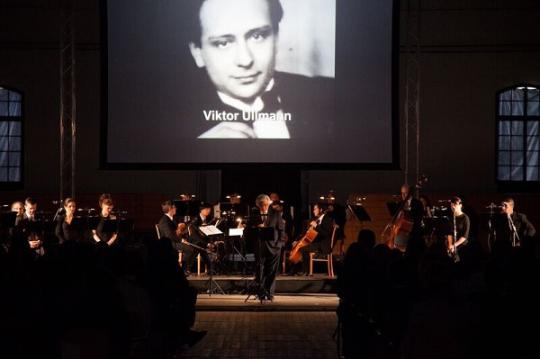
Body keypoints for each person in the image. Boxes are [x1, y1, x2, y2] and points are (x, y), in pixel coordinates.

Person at [184, 0, 334, 139]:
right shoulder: (169, 120)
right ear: (197, 52)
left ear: (276, 38)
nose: (245, 60)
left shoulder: (330, 96)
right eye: (223, 44)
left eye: (258, 36)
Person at [246, 194, 285, 300]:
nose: (263, 207)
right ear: (258, 205)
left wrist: (279, 244)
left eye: (265, 205)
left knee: (272, 270)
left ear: (268, 204)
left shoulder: (276, 213)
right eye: (261, 205)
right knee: (260, 269)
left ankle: (270, 293)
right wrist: (256, 227)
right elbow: (248, 231)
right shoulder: (254, 215)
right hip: (260, 247)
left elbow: (281, 230)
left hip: (275, 246)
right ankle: (261, 292)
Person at [295, 202, 334, 275]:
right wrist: (297, 240)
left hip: (323, 245)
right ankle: (304, 271)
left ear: (321, 209)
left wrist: (316, 226)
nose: (313, 211)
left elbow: (326, 234)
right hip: (316, 243)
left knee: (303, 249)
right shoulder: (316, 219)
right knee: (301, 247)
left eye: (315, 209)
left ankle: (306, 271)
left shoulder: (327, 219)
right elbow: (306, 232)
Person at [157, 200, 195, 274]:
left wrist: (180, 229)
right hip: (169, 243)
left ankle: (185, 268)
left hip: (173, 241)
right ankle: (182, 269)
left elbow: (174, 233)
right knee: (190, 249)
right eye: (174, 207)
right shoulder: (165, 220)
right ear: (170, 209)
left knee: (192, 245)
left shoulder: (170, 219)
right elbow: (169, 236)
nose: (176, 209)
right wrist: (181, 240)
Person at [186, 202, 214, 272]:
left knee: (200, 246)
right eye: (206, 209)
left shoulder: (210, 219)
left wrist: (212, 241)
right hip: (195, 239)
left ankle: (188, 267)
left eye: (209, 209)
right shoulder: (195, 219)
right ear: (201, 210)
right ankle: (210, 267)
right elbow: (194, 235)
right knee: (199, 245)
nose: (208, 211)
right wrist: (207, 244)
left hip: (205, 240)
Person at [446, 196, 470, 262]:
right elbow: (449, 233)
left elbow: (465, 236)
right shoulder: (451, 218)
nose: (453, 206)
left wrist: (454, 245)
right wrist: (450, 245)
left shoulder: (465, 218)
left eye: (455, 204)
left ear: (460, 205)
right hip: (453, 244)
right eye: (451, 205)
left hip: (462, 245)